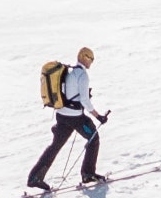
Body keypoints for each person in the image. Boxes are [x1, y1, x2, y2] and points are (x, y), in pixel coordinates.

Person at [30, 45, 107, 189]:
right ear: (85, 58)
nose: (92, 62)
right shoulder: (83, 76)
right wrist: (99, 117)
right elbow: (84, 101)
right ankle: (88, 173)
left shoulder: (69, 71)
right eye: (91, 59)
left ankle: (35, 177)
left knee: (55, 146)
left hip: (61, 116)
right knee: (93, 138)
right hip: (75, 118)